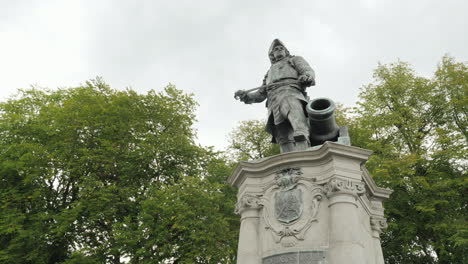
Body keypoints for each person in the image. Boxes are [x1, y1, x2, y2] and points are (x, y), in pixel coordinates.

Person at [235, 39, 315, 153]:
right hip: (273, 102)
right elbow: (260, 94)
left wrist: (307, 76)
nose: (278, 50)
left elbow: (307, 70)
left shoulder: (294, 60)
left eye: (281, 48)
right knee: (282, 135)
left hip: (290, 92)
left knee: (290, 106)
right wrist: (246, 96)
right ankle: (289, 162)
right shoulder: (268, 73)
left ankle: (302, 137)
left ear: (286, 51)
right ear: (272, 55)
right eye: (275, 49)